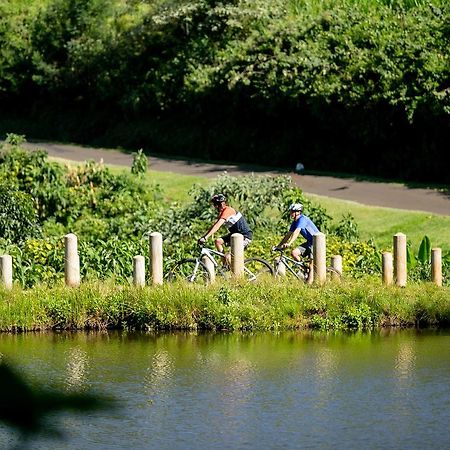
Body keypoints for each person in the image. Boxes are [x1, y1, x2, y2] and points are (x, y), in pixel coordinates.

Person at [198, 193, 252, 265]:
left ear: (217, 205)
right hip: (235, 235)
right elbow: (214, 225)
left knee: (228, 256)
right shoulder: (222, 212)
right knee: (218, 241)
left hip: (245, 236)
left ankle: (234, 274)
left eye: (215, 205)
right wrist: (204, 236)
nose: (215, 207)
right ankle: (225, 266)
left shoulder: (227, 211)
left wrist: (206, 237)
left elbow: (218, 225)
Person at [275, 203, 319, 280]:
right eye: (290, 211)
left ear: (298, 212)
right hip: (309, 242)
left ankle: (310, 285)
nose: (290, 213)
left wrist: (289, 243)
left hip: (316, 243)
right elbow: (288, 235)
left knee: (312, 266)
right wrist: (278, 246)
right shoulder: (295, 222)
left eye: (292, 211)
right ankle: (305, 269)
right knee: (294, 253)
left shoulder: (303, 219)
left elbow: (297, 231)